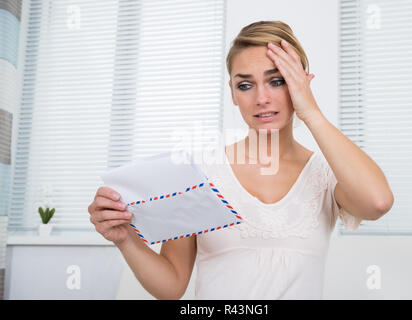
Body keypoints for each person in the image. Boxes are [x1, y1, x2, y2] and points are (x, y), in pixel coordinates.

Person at [88, 20, 394, 300]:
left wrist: (310, 111)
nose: (261, 98)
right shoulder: (200, 172)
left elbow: (377, 202)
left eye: (277, 81)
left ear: (299, 83)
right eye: (245, 85)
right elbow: (172, 286)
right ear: (233, 93)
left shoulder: (328, 175)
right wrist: (126, 239)